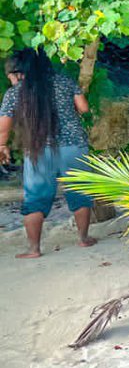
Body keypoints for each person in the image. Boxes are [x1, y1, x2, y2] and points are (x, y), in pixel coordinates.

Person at [0, 49, 94, 259]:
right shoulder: (64, 81)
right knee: (80, 191)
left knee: (35, 197)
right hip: (74, 146)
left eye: (11, 77)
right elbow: (84, 108)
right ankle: (83, 238)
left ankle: (34, 249)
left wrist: (2, 146)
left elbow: (3, 127)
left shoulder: (15, 93)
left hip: (38, 150)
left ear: (19, 73)